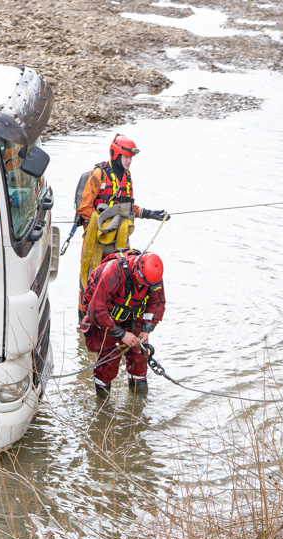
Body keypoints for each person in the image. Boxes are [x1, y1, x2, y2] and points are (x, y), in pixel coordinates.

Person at [77, 135, 170, 316]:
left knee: (117, 277)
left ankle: (110, 316)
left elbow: (128, 207)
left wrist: (149, 213)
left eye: (130, 158)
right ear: (115, 154)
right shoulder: (99, 175)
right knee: (90, 278)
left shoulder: (127, 177)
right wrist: (106, 221)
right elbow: (84, 208)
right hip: (97, 239)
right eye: (126, 157)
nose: (129, 161)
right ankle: (84, 319)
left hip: (119, 240)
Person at [80, 249, 166, 398]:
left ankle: (139, 398)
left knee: (140, 356)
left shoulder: (153, 276)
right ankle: (103, 405)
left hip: (132, 315)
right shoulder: (112, 272)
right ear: (136, 272)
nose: (143, 286)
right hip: (106, 317)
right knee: (109, 361)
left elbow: (157, 302)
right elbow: (97, 309)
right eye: (141, 283)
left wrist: (147, 329)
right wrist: (120, 334)